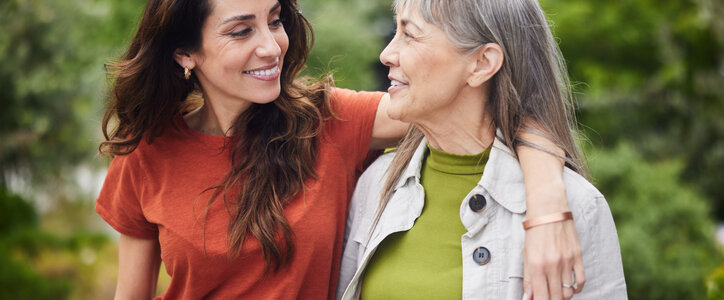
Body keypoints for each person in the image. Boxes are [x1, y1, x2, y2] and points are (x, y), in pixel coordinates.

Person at [95, 0, 583, 299]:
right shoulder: (146, 153)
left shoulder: (329, 120)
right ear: (185, 53)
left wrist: (547, 206)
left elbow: (485, 104)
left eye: (275, 19)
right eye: (241, 31)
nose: (271, 46)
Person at [336, 0, 627, 299]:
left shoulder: (576, 207)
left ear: (482, 63)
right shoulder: (376, 186)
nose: (387, 54)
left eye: (409, 34)